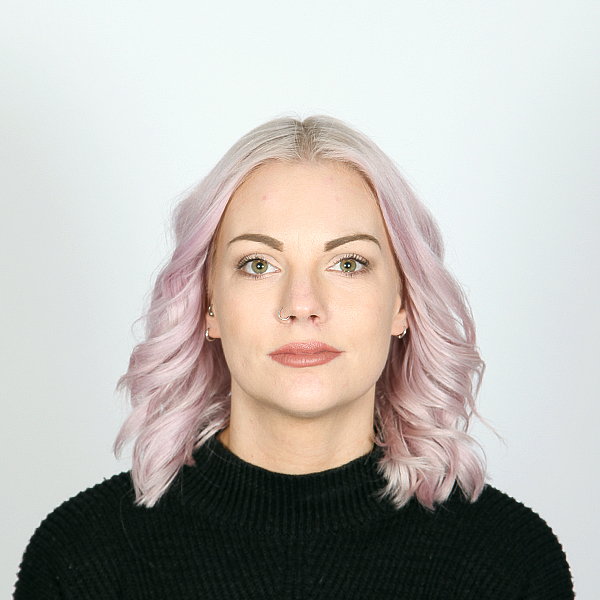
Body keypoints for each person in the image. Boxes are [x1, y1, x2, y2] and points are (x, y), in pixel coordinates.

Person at [14, 115, 574, 599]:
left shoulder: (510, 563)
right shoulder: (80, 559)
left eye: (348, 264)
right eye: (258, 265)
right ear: (208, 306)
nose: (302, 305)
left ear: (403, 304)